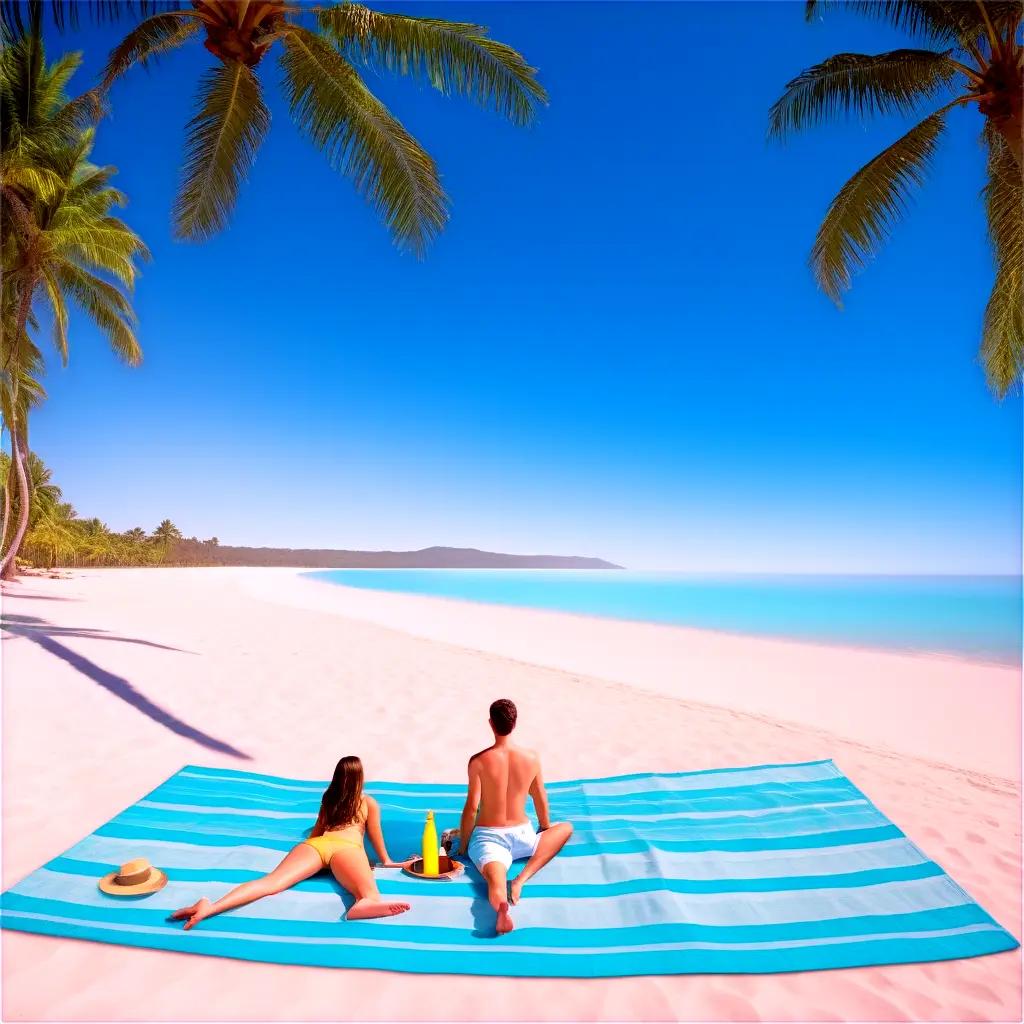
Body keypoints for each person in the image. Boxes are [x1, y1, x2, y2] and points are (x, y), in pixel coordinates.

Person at [171, 755, 412, 929]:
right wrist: (391, 862)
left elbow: (316, 835)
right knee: (369, 894)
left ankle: (210, 907)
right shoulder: (368, 802)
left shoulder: (329, 799)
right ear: (360, 778)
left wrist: (317, 864)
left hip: (318, 846)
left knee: (270, 883)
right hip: (347, 849)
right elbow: (375, 837)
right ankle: (363, 903)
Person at [457, 698, 573, 935]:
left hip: (490, 837)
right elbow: (540, 796)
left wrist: (464, 846)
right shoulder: (531, 758)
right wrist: (544, 826)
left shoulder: (479, 761)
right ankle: (521, 879)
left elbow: (471, 808)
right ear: (515, 723)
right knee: (565, 828)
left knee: (495, 880)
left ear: (491, 723)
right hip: (523, 835)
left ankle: (502, 907)